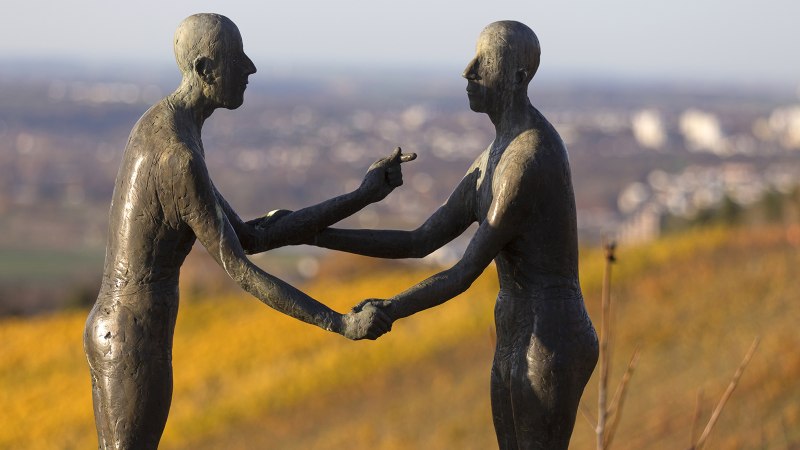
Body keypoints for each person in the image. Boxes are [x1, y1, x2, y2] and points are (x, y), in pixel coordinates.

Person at [83, 13, 412, 449]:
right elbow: (242, 269)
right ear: (204, 70)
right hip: (132, 339)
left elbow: (251, 235)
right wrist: (340, 323)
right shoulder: (177, 156)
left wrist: (363, 195)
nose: (250, 68)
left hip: (123, 330)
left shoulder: (170, 126)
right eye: (236, 58)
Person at [314, 21, 598, 449]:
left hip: (551, 338)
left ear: (519, 76)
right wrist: (315, 234)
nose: (469, 70)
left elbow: (464, 272)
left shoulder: (527, 159)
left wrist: (390, 309)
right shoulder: (494, 156)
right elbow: (420, 240)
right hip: (516, 332)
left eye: (486, 60)